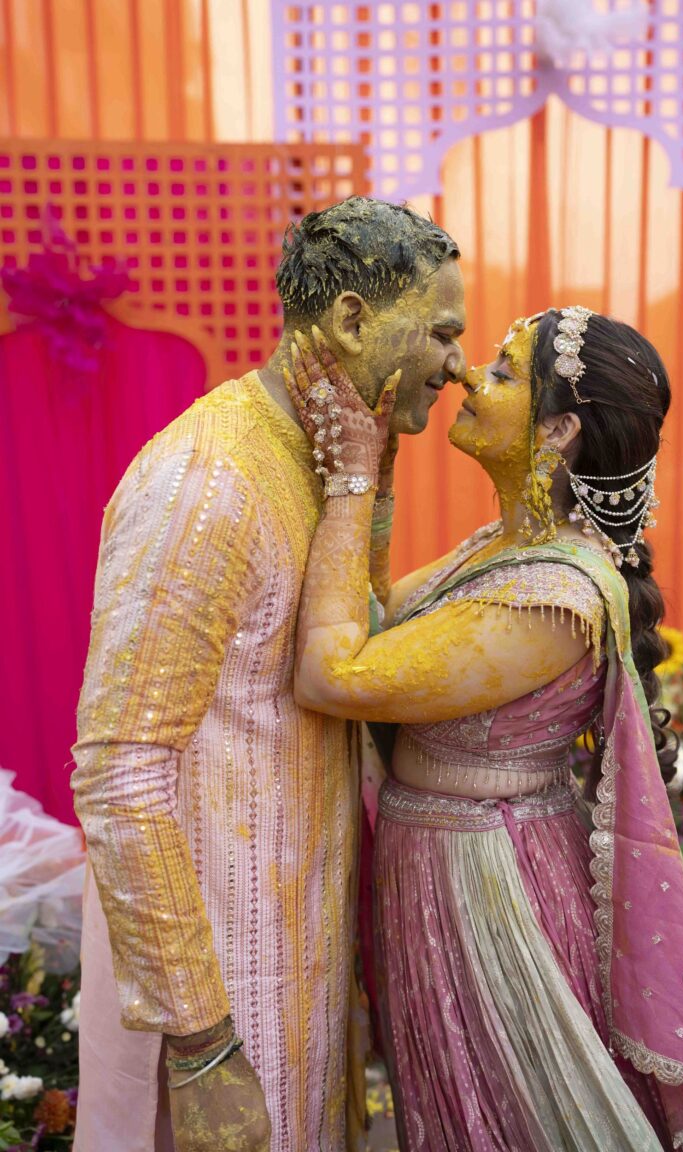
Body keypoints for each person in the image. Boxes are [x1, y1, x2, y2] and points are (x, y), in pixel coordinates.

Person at [287, 311, 683, 1151]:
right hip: (438, 862)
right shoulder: (501, 547)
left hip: (490, 884)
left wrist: (352, 477)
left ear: (557, 431)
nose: (470, 377)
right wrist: (382, 470)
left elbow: (335, 676)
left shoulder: (554, 598)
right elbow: (370, 618)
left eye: (505, 374)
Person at [70, 197, 466, 1152]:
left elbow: (354, 644)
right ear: (353, 320)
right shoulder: (207, 479)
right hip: (220, 985)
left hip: (300, 951)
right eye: (443, 330)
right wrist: (201, 1047)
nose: (457, 362)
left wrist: (372, 484)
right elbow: (120, 770)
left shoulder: (322, 454)